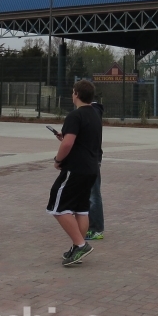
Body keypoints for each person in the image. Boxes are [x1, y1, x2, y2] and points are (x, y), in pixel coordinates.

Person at [47, 79, 102, 266]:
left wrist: (58, 160)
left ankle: (81, 244)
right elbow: (80, 139)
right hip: (92, 168)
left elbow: (68, 143)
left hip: (76, 168)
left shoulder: (75, 116)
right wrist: (66, 137)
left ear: (76, 94)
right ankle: (76, 248)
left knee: (57, 206)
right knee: (81, 209)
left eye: (73, 92)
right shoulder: (95, 114)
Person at [85, 99, 105, 241]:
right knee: (90, 194)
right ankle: (91, 225)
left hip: (91, 159)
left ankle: (97, 228)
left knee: (94, 194)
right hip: (92, 158)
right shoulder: (94, 113)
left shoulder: (92, 114)